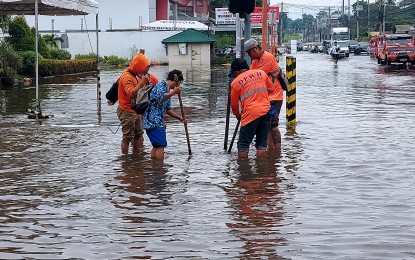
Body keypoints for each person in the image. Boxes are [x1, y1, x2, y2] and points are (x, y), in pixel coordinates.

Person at [229, 58, 275, 159]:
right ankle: (262, 169)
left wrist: (238, 115)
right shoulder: (261, 73)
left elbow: (234, 105)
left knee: (243, 145)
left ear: (236, 72)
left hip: (250, 113)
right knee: (261, 142)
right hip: (266, 111)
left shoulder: (235, 82)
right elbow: (271, 89)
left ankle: (244, 171)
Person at [244, 38, 283, 151]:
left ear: (255, 49)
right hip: (264, 97)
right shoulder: (256, 60)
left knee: (273, 125)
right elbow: (249, 75)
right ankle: (270, 151)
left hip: (274, 96)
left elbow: (257, 76)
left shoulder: (267, 57)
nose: (249, 55)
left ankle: (277, 151)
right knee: (266, 126)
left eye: (249, 52)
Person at [117, 52, 158, 154]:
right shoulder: (127, 76)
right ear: (139, 66)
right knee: (127, 137)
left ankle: (136, 157)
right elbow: (130, 92)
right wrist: (142, 83)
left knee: (138, 134)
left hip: (134, 110)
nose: (146, 71)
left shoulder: (133, 74)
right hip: (126, 111)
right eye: (145, 68)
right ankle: (125, 160)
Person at [142, 69, 186, 161]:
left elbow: (168, 109)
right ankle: (159, 169)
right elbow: (159, 97)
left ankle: (155, 166)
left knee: (156, 145)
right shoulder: (161, 85)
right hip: (153, 122)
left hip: (156, 122)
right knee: (160, 146)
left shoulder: (167, 90)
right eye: (180, 82)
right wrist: (173, 93)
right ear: (176, 80)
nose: (179, 85)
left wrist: (180, 118)